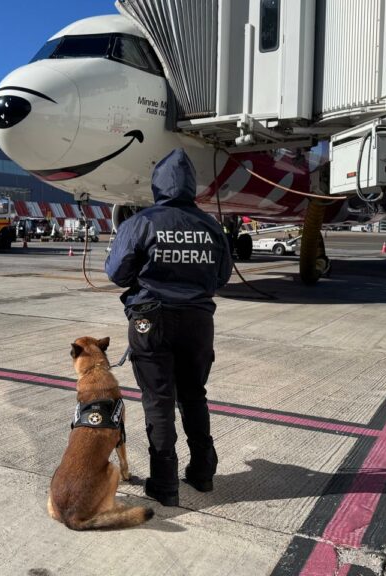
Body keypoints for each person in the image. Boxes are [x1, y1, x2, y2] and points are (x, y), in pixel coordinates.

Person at [104, 148, 233, 506]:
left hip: (152, 320)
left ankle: (164, 481)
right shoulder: (211, 226)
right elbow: (221, 276)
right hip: (197, 321)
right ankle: (203, 470)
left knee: (158, 400)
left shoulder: (141, 223)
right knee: (194, 394)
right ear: (192, 186)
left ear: (158, 185)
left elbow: (117, 274)